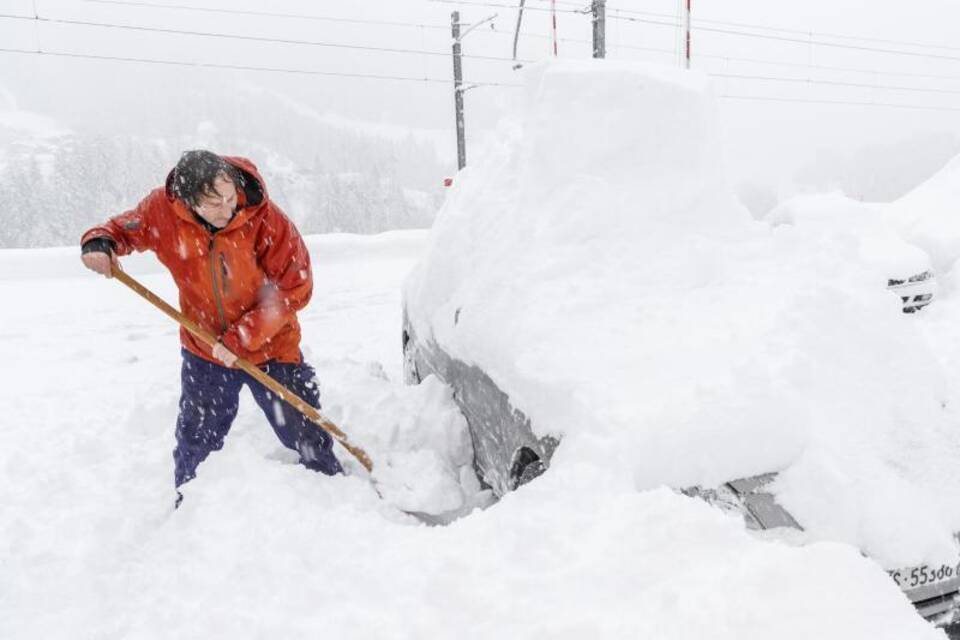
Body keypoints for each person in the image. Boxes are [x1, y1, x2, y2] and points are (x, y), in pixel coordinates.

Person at [80, 150, 342, 505]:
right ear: (188, 203)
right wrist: (101, 241)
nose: (227, 209)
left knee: (303, 429)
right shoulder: (163, 209)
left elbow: (296, 285)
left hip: (271, 347)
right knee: (198, 438)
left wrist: (242, 337)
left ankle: (337, 496)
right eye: (213, 204)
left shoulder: (263, 215)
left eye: (230, 198)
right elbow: (123, 229)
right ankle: (190, 508)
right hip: (204, 349)